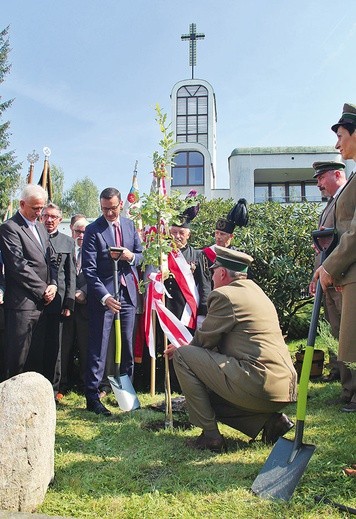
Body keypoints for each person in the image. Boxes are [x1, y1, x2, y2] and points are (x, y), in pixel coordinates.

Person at [165, 246, 297, 452]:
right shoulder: (256, 292)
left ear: (223, 273)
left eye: (213, 271)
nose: (212, 277)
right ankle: (270, 422)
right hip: (283, 387)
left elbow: (203, 343)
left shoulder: (225, 296)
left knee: (183, 357)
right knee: (205, 393)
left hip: (259, 383)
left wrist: (182, 347)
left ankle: (210, 437)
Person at [82, 187, 143, 416]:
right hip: (104, 298)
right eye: (104, 209)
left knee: (127, 344)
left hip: (127, 294)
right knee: (99, 346)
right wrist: (104, 297)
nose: (109, 213)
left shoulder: (129, 225)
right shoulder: (92, 230)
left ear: (121, 206)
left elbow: (141, 254)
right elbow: (89, 270)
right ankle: (93, 397)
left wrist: (131, 257)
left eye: (113, 208)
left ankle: (127, 396)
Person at [314, 103, 356, 413]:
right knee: (345, 336)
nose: (337, 143)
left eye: (341, 135)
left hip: (346, 272)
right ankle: (350, 391)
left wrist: (330, 267)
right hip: (340, 273)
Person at [0, 185, 58, 380]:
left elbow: (51, 259)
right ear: (22, 204)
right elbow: (18, 266)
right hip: (21, 306)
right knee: (16, 360)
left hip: (41, 304)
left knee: (35, 360)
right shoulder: (10, 228)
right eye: (35, 208)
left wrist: (53, 284)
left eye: (41, 208)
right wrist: (43, 289)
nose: (39, 213)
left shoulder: (40, 228)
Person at [309, 161, 346, 382]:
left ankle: (350, 385)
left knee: (346, 331)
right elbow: (324, 246)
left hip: (340, 276)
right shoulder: (330, 204)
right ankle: (340, 374)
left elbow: (346, 238)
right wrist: (315, 276)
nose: (319, 184)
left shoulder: (345, 200)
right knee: (334, 329)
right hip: (327, 279)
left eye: (321, 178)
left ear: (337, 174)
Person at [38, 203, 76, 398]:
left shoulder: (67, 242)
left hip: (58, 302)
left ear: (60, 220)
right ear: (41, 217)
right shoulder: (34, 237)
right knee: (38, 345)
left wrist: (69, 302)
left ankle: (55, 389)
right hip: (36, 302)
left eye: (53, 217)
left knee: (57, 347)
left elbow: (71, 275)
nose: (49, 220)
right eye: (46, 216)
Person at [60, 217, 90, 395]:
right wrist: (72, 294)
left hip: (87, 306)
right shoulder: (65, 249)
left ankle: (85, 384)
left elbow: (99, 274)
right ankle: (62, 384)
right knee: (64, 347)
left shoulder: (93, 251)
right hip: (67, 307)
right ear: (71, 231)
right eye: (78, 231)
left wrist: (84, 292)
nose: (81, 235)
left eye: (85, 232)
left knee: (86, 348)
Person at [203, 199, 248, 267]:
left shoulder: (237, 255)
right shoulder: (206, 254)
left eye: (222, 234)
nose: (218, 236)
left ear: (231, 236)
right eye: (217, 233)